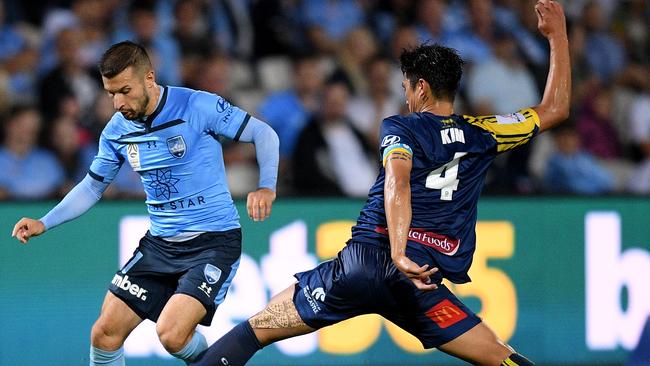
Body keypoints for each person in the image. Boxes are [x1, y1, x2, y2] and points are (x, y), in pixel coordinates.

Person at [191, 1, 570, 365]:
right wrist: (558, 36)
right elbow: (555, 109)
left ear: (420, 88)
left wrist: (399, 250)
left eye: (406, 86)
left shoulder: (401, 126)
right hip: (419, 283)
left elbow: (398, 181)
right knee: (497, 354)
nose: (405, 96)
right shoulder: (485, 133)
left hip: (367, 263)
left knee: (257, 330)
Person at [11, 41, 279, 365]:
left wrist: (265, 187)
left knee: (171, 335)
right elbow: (93, 188)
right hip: (159, 247)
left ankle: (218, 359)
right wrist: (45, 222)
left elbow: (264, 134)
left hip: (213, 242)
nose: (117, 103)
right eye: (111, 93)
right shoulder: (116, 131)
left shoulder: (196, 105)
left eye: (124, 90)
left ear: (149, 78)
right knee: (104, 333)